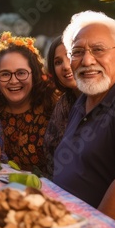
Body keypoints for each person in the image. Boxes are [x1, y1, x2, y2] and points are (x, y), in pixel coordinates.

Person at [53, 10, 115, 228]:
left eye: (98, 50)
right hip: (68, 225)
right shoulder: (84, 98)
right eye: (77, 52)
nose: (87, 60)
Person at [0, 31, 59, 177]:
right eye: (5, 74)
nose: (13, 81)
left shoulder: (53, 110)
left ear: (34, 74)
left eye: (21, 73)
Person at [43, 35, 80, 178]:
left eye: (71, 56)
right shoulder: (63, 103)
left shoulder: (104, 99)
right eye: (58, 62)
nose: (65, 66)